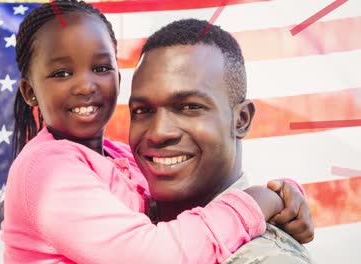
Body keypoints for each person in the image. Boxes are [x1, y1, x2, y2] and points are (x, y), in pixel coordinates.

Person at [2, 1, 313, 263]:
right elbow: (148, 254)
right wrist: (255, 203)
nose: (86, 85)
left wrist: (283, 194)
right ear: (30, 92)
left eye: (100, 68)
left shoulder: (118, 157)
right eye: (61, 73)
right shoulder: (48, 169)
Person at [129, 19, 314, 263]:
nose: (158, 133)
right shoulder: (116, 217)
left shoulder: (264, 257)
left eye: (189, 107)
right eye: (142, 110)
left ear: (241, 120)